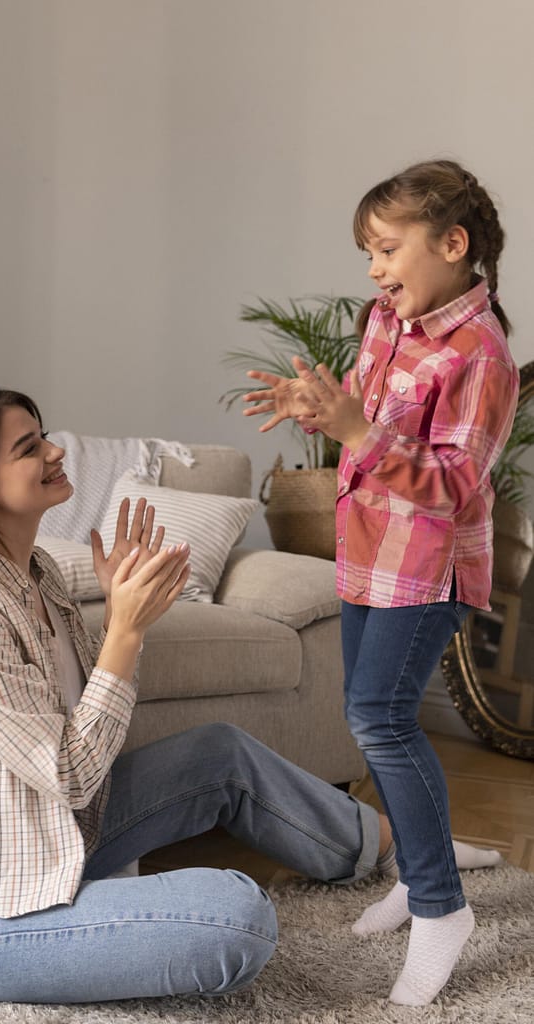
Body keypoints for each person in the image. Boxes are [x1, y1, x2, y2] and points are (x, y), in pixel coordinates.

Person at [0, 387, 405, 1005]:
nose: (56, 449)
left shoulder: (39, 575)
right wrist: (125, 630)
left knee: (220, 752)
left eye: (45, 434)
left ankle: (389, 847)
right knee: (238, 917)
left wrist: (120, 622)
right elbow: (72, 773)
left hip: (50, 836)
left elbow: (93, 726)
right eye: (30, 447)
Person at [242, 158, 518, 1006]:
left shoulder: (481, 353)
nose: (373, 269)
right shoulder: (382, 319)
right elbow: (361, 408)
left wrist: (356, 428)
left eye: (387, 249)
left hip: (428, 569)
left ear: (451, 244)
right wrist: (317, 404)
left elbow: (453, 487)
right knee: (368, 720)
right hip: (366, 552)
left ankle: (440, 907)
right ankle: (418, 868)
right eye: (367, 252)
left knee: (376, 713)